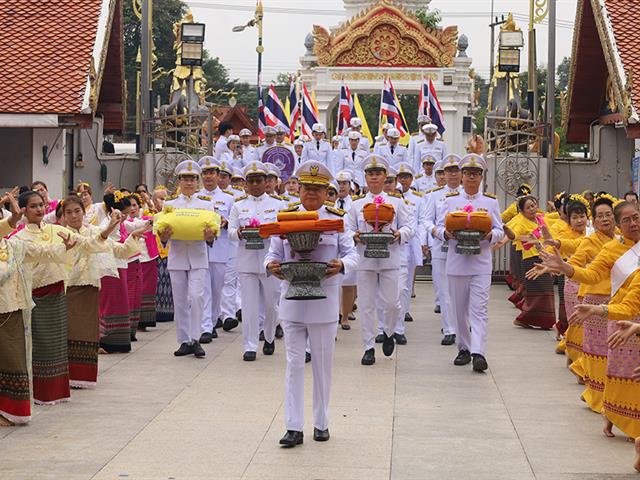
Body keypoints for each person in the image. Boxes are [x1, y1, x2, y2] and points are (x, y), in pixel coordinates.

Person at [265, 160, 358, 447]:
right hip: (292, 299)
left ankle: (322, 422)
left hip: (324, 300)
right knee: (293, 364)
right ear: (299, 190)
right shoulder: (285, 217)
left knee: (322, 364)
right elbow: (271, 254)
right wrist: (272, 267)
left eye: (318, 190)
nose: (312, 195)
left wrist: (340, 265)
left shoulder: (336, 220)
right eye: (307, 189)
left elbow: (353, 256)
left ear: (327, 192)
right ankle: (293, 426)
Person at [0, 195, 72, 425]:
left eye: (42, 205)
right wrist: (14, 219)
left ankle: (11, 412)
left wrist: (65, 246)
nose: (39, 209)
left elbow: (44, 253)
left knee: (14, 360)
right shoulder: (17, 237)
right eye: (34, 206)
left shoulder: (14, 245)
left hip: (11, 310)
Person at [61, 196, 143, 388]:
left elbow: (119, 251)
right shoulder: (61, 233)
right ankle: (65, 376)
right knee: (70, 332)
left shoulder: (93, 231)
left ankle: (83, 378)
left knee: (88, 333)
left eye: (77, 211)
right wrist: (107, 230)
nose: (74, 216)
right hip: (69, 288)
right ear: (63, 216)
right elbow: (88, 244)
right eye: (69, 212)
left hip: (90, 287)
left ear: (84, 212)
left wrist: (133, 237)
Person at [435, 154, 503, 372]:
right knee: (458, 310)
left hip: (480, 262)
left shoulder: (490, 202)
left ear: (481, 177)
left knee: (479, 310)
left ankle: (478, 352)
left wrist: (489, 237)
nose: (471, 178)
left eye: (476, 174)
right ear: (462, 177)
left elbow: (499, 230)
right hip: (457, 262)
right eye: (467, 173)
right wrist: (445, 234)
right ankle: (463, 347)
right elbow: (436, 227)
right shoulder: (451, 200)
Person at [346, 155, 415, 366]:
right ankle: (368, 347)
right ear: (365, 177)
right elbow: (345, 229)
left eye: (378, 174)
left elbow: (409, 226)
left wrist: (399, 233)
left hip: (389, 258)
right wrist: (354, 235)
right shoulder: (356, 204)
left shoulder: (396, 201)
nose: (374, 178)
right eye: (370, 174)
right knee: (366, 305)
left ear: (385, 176)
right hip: (365, 259)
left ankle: (389, 331)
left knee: (393, 303)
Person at [159, 160, 217, 359]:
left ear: (197, 181)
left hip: (198, 256)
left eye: (192, 178)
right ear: (179, 181)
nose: (189, 182)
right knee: (181, 300)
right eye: (185, 178)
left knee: (196, 296)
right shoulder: (169, 205)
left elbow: (211, 231)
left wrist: (210, 237)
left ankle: (196, 338)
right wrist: (164, 236)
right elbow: (162, 234)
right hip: (177, 256)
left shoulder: (206, 204)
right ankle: (184, 340)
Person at [228, 161, 283, 361]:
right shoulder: (238, 205)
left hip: (270, 261)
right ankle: (249, 345)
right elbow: (231, 232)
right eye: (250, 181)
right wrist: (240, 234)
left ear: (266, 182)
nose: (255, 184)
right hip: (247, 261)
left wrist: (269, 232)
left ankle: (268, 336)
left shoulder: (278, 204)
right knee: (249, 306)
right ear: (245, 183)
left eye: (259, 180)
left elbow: (282, 231)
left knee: (271, 304)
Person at [502, 195, 556, 329]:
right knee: (539, 292)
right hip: (531, 260)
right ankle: (525, 318)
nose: (532, 209)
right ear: (522, 211)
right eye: (528, 207)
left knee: (547, 292)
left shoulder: (541, 219)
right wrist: (507, 231)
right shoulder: (521, 222)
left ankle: (544, 321)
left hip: (545, 258)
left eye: (534, 206)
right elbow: (514, 235)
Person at [197, 157, 236, 343]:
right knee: (203, 290)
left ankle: (212, 321)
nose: (208, 177)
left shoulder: (229, 199)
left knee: (217, 289)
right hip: (200, 249)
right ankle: (206, 326)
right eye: (205, 173)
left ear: (217, 175)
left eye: (211, 173)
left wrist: (226, 222)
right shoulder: (195, 198)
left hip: (221, 249)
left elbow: (234, 223)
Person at [425, 154, 462, 344]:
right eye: (449, 171)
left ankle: (461, 324)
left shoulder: (467, 194)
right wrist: (438, 233)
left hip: (464, 249)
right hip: (442, 247)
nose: (453, 175)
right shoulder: (434, 195)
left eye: (456, 171)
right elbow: (426, 220)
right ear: (443, 174)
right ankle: (449, 328)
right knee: (444, 291)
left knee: (463, 291)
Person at [396, 162, 427, 325]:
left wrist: (423, 241)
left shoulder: (418, 199)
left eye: (406, 177)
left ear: (411, 179)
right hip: (395, 243)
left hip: (412, 242)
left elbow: (422, 221)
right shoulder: (392, 196)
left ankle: (405, 310)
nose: (403, 180)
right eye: (400, 177)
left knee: (407, 282)